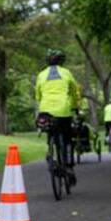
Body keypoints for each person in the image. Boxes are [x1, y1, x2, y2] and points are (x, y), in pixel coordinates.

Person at [34, 49, 82, 182]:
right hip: (63, 110)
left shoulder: (41, 74)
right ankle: (68, 166)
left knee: (51, 132)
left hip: (46, 110)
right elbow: (74, 92)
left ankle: (51, 153)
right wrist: (76, 106)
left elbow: (38, 95)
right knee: (67, 139)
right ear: (62, 61)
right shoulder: (66, 73)